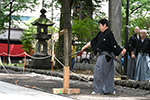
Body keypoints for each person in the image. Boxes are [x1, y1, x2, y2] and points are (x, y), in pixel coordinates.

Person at [81, 19, 126, 94]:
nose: (99, 27)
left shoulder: (109, 34)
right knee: (98, 72)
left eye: (100, 25)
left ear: (104, 25)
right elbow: (92, 42)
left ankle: (108, 90)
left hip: (107, 56)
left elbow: (114, 44)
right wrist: (84, 47)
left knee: (108, 73)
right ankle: (99, 89)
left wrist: (119, 51)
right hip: (101, 56)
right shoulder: (100, 34)